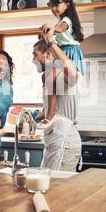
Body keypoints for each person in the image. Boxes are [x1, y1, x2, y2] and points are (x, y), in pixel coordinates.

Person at [32, 27, 82, 172]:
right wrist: (40, 114)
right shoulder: (48, 75)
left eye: (35, 55)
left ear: (48, 54)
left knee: (59, 189)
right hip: (54, 140)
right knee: (49, 186)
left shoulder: (58, 73)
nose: (33, 59)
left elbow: (72, 73)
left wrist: (51, 42)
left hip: (64, 140)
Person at [36, 0, 86, 130]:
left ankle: (50, 113)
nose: (53, 9)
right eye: (51, 6)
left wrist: (52, 28)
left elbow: (59, 28)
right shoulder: (60, 21)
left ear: (67, 5)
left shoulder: (66, 21)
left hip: (69, 54)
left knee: (53, 78)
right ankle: (49, 111)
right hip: (62, 53)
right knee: (50, 79)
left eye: (56, 5)